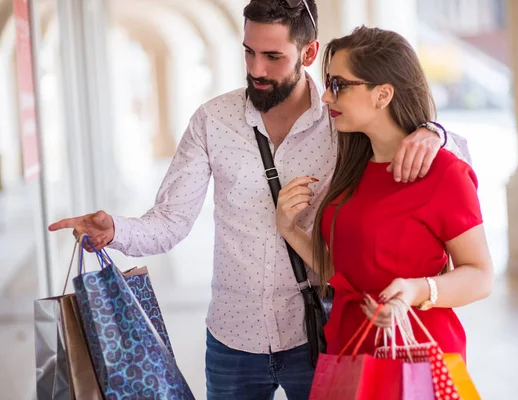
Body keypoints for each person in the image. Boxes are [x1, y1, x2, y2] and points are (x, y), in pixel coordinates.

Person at [48, 1, 468, 399]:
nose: (256, 69)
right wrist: (116, 229)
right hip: (233, 339)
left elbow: (448, 160)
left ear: (309, 52)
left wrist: (434, 132)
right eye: (248, 52)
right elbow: (170, 222)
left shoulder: (344, 119)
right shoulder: (213, 120)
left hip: (318, 333)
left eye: (272, 56)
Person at [275, 26, 494, 362]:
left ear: (382, 94)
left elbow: (481, 276)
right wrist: (289, 229)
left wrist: (417, 291)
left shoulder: (444, 173)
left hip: (417, 354)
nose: (326, 97)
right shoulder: (350, 167)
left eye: (338, 85)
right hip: (350, 347)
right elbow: (343, 270)